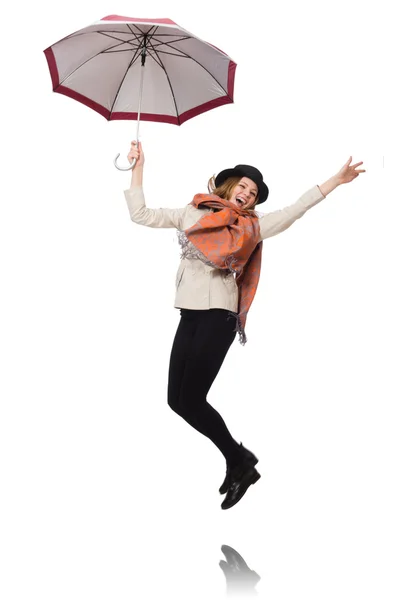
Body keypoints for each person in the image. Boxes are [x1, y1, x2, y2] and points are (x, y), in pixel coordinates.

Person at [123, 141, 365, 510]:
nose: (247, 195)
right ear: (229, 186)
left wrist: (335, 180)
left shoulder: (254, 226)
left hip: (219, 316)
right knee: (177, 400)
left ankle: (239, 461)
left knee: (190, 398)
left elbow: (295, 209)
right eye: (243, 187)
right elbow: (140, 214)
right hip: (189, 313)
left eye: (252, 194)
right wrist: (139, 166)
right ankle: (239, 461)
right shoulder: (193, 212)